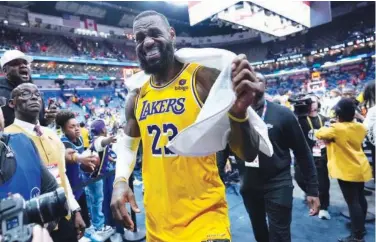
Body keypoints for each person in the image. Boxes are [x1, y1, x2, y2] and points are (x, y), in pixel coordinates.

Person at [111, 10, 261, 242]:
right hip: (157, 223)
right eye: (139, 38)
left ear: (171, 34)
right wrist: (120, 181)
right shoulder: (136, 96)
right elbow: (129, 146)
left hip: (206, 218)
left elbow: (248, 152)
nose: (147, 41)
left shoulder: (202, 78)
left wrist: (239, 114)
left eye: (154, 33)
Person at [219, 74, 320, 242]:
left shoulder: (283, 114)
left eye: (258, 79)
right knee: (259, 232)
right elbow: (222, 150)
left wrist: (312, 189)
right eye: (249, 78)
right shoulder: (234, 116)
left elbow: (302, 152)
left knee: (279, 235)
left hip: (278, 183)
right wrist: (218, 180)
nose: (252, 81)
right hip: (249, 185)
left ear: (265, 86)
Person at [5, 83, 86, 241]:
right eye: (26, 94)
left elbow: (63, 177)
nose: (34, 96)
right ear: (12, 103)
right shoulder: (6, 138)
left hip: (64, 218)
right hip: (30, 228)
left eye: (37, 93)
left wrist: (75, 210)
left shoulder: (52, 134)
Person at [316, 98, 372, 242]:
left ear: (339, 114)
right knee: (360, 198)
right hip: (360, 166)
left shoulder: (337, 128)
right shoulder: (360, 127)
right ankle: (361, 228)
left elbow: (320, 133)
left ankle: (357, 236)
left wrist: (332, 124)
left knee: (352, 202)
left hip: (347, 170)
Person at [55, 110, 97, 229]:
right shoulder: (63, 142)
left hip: (79, 182)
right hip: (70, 187)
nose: (77, 129)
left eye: (78, 125)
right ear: (63, 129)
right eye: (72, 127)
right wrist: (80, 158)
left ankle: (87, 229)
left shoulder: (79, 139)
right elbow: (69, 155)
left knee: (85, 216)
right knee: (75, 219)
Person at [295, 95, 331, 220]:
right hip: (304, 157)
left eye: (312, 101)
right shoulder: (300, 119)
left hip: (320, 156)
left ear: (318, 103)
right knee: (298, 178)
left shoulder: (325, 119)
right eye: (307, 101)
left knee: (323, 183)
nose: (310, 103)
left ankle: (324, 207)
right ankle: (312, 194)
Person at [0, 49, 57, 127]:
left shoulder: (35, 92)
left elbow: (41, 123)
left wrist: (47, 120)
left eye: (25, 63)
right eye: (16, 63)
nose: (23, 65)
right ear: (5, 70)